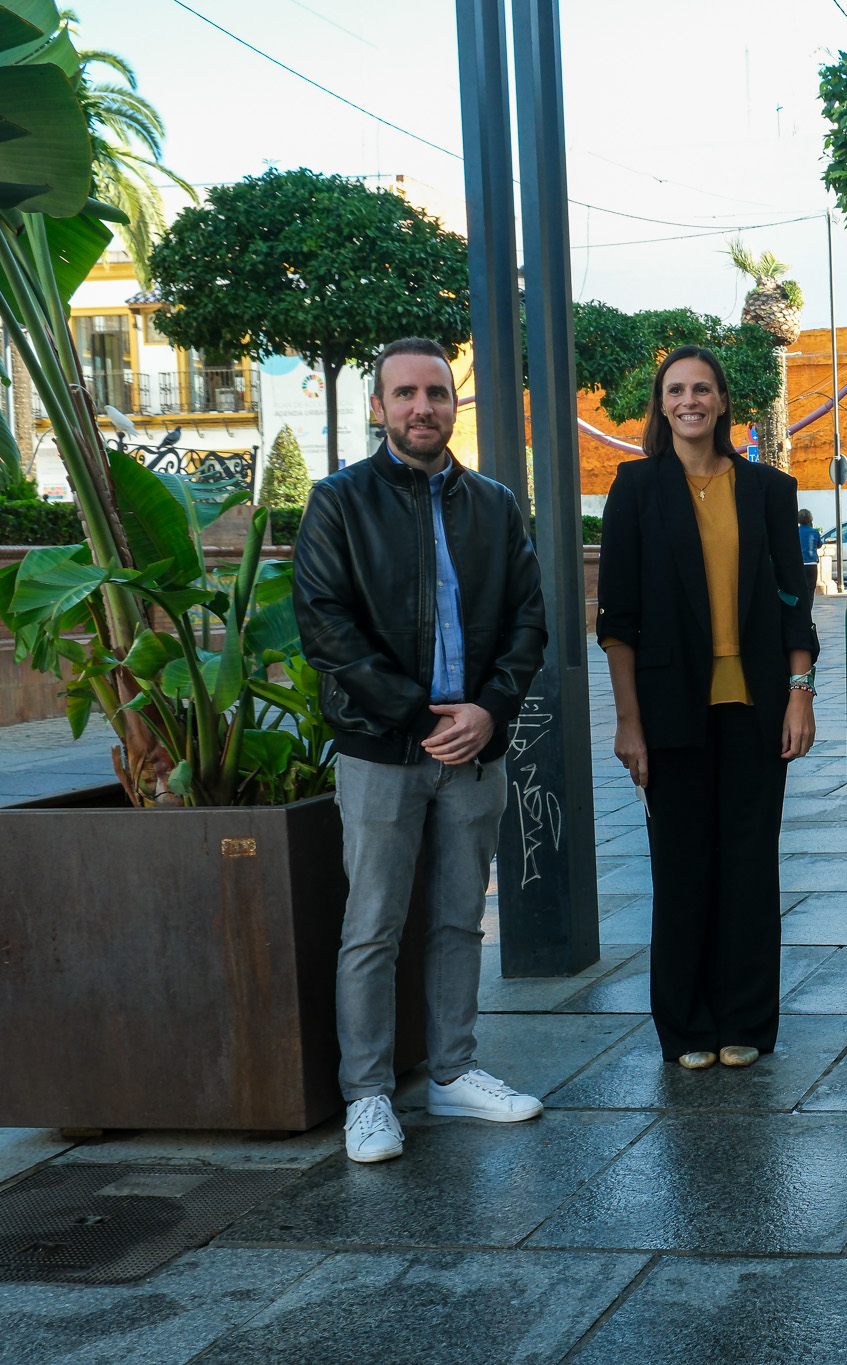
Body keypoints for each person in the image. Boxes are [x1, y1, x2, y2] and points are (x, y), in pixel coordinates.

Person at [293, 337, 550, 1165]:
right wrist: (418, 714)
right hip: (381, 750)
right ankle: (367, 1095)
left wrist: (488, 709)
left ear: (453, 405)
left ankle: (453, 1069)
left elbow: (528, 621)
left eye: (436, 393)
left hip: (473, 748)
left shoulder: (496, 504)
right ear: (379, 406)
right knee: (372, 923)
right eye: (403, 393)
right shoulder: (338, 501)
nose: (421, 407)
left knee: (456, 918)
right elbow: (325, 625)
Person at [597, 345, 819, 1072]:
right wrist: (628, 721)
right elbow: (618, 618)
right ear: (662, 406)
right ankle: (687, 1025)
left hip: (755, 707)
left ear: (723, 402)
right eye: (676, 390)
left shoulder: (768, 489)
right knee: (682, 867)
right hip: (668, 710)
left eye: (703, 389)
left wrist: (800, 694)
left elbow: (795, 603)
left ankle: (747, 1021)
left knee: (751, 867)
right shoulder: (634, 488)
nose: (690, 400)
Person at [797, 508, 822, 600]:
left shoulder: (795, 531)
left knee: (799, 589)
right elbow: (819, 545)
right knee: (810, 590)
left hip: (799, 564)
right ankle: (809, 609)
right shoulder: (814, 531)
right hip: (811, 563)